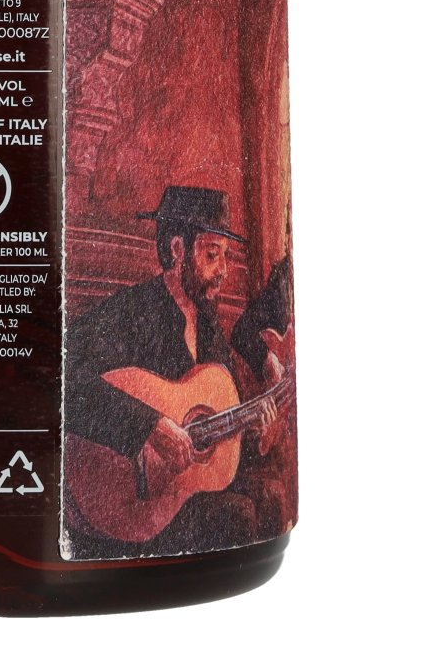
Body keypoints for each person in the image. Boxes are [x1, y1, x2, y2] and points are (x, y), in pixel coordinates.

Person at [62, 185, 288, 559]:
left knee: (271, 496)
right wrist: (150, 426)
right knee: (240, 514)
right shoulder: (132, 312)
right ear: (178, 249)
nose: (223, 271)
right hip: (128, 501)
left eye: (226, 257)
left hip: (178, 490)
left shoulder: (209, 327)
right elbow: (66, 381)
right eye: (212, 255)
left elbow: (215, 433)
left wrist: (251, 426)